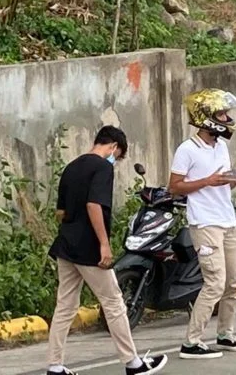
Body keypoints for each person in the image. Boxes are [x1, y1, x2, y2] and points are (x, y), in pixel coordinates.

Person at [46, 126, 168, 375]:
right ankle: (133, 363)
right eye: (118, 154)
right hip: (89, 248)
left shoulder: (72, 167)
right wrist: (103, 243)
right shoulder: (102, 167)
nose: (116, 159)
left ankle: (55, 366)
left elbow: (60, 212)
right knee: (113, 302)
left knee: (65, 306)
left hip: (66, 244)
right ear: (113, 146)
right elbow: (94, 205)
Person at [168, 89, 236, 360]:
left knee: (233, 281)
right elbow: (174, 187)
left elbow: (221, 179)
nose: (227, 118)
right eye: (221, 114)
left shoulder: (221, 147)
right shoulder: (187, 150)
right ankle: (191, 341)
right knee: (214, 282)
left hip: (227, 220)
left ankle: (225, 334)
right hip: (204, 223)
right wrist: (206, 182)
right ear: (205, 118)